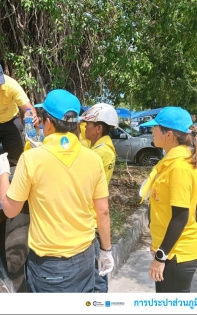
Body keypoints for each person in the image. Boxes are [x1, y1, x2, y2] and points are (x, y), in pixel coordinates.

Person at [0, 89, 114, 292]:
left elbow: (10, 210)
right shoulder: (92, 158)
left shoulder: (32, 159)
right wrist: (106, 250)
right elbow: (102, 211)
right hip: (85, 256)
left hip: (49, 265)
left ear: (47, 122)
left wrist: (3, 173)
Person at [139, 106, 197, 293]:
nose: (151, 131)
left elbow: (180, 216)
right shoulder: (169, 162)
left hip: (178, 254)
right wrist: (159, 246)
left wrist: (161, 255)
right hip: (170, 250)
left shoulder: (179, 167)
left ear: (168, 135)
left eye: (155, 128)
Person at [81, 103, 118, 293]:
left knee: (97, 276)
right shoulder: (103, 147)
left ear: (98, 128)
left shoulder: (99, 152)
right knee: (98, 273)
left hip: (93, 219)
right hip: (95, 217)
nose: (85, 127)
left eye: (88, 125)